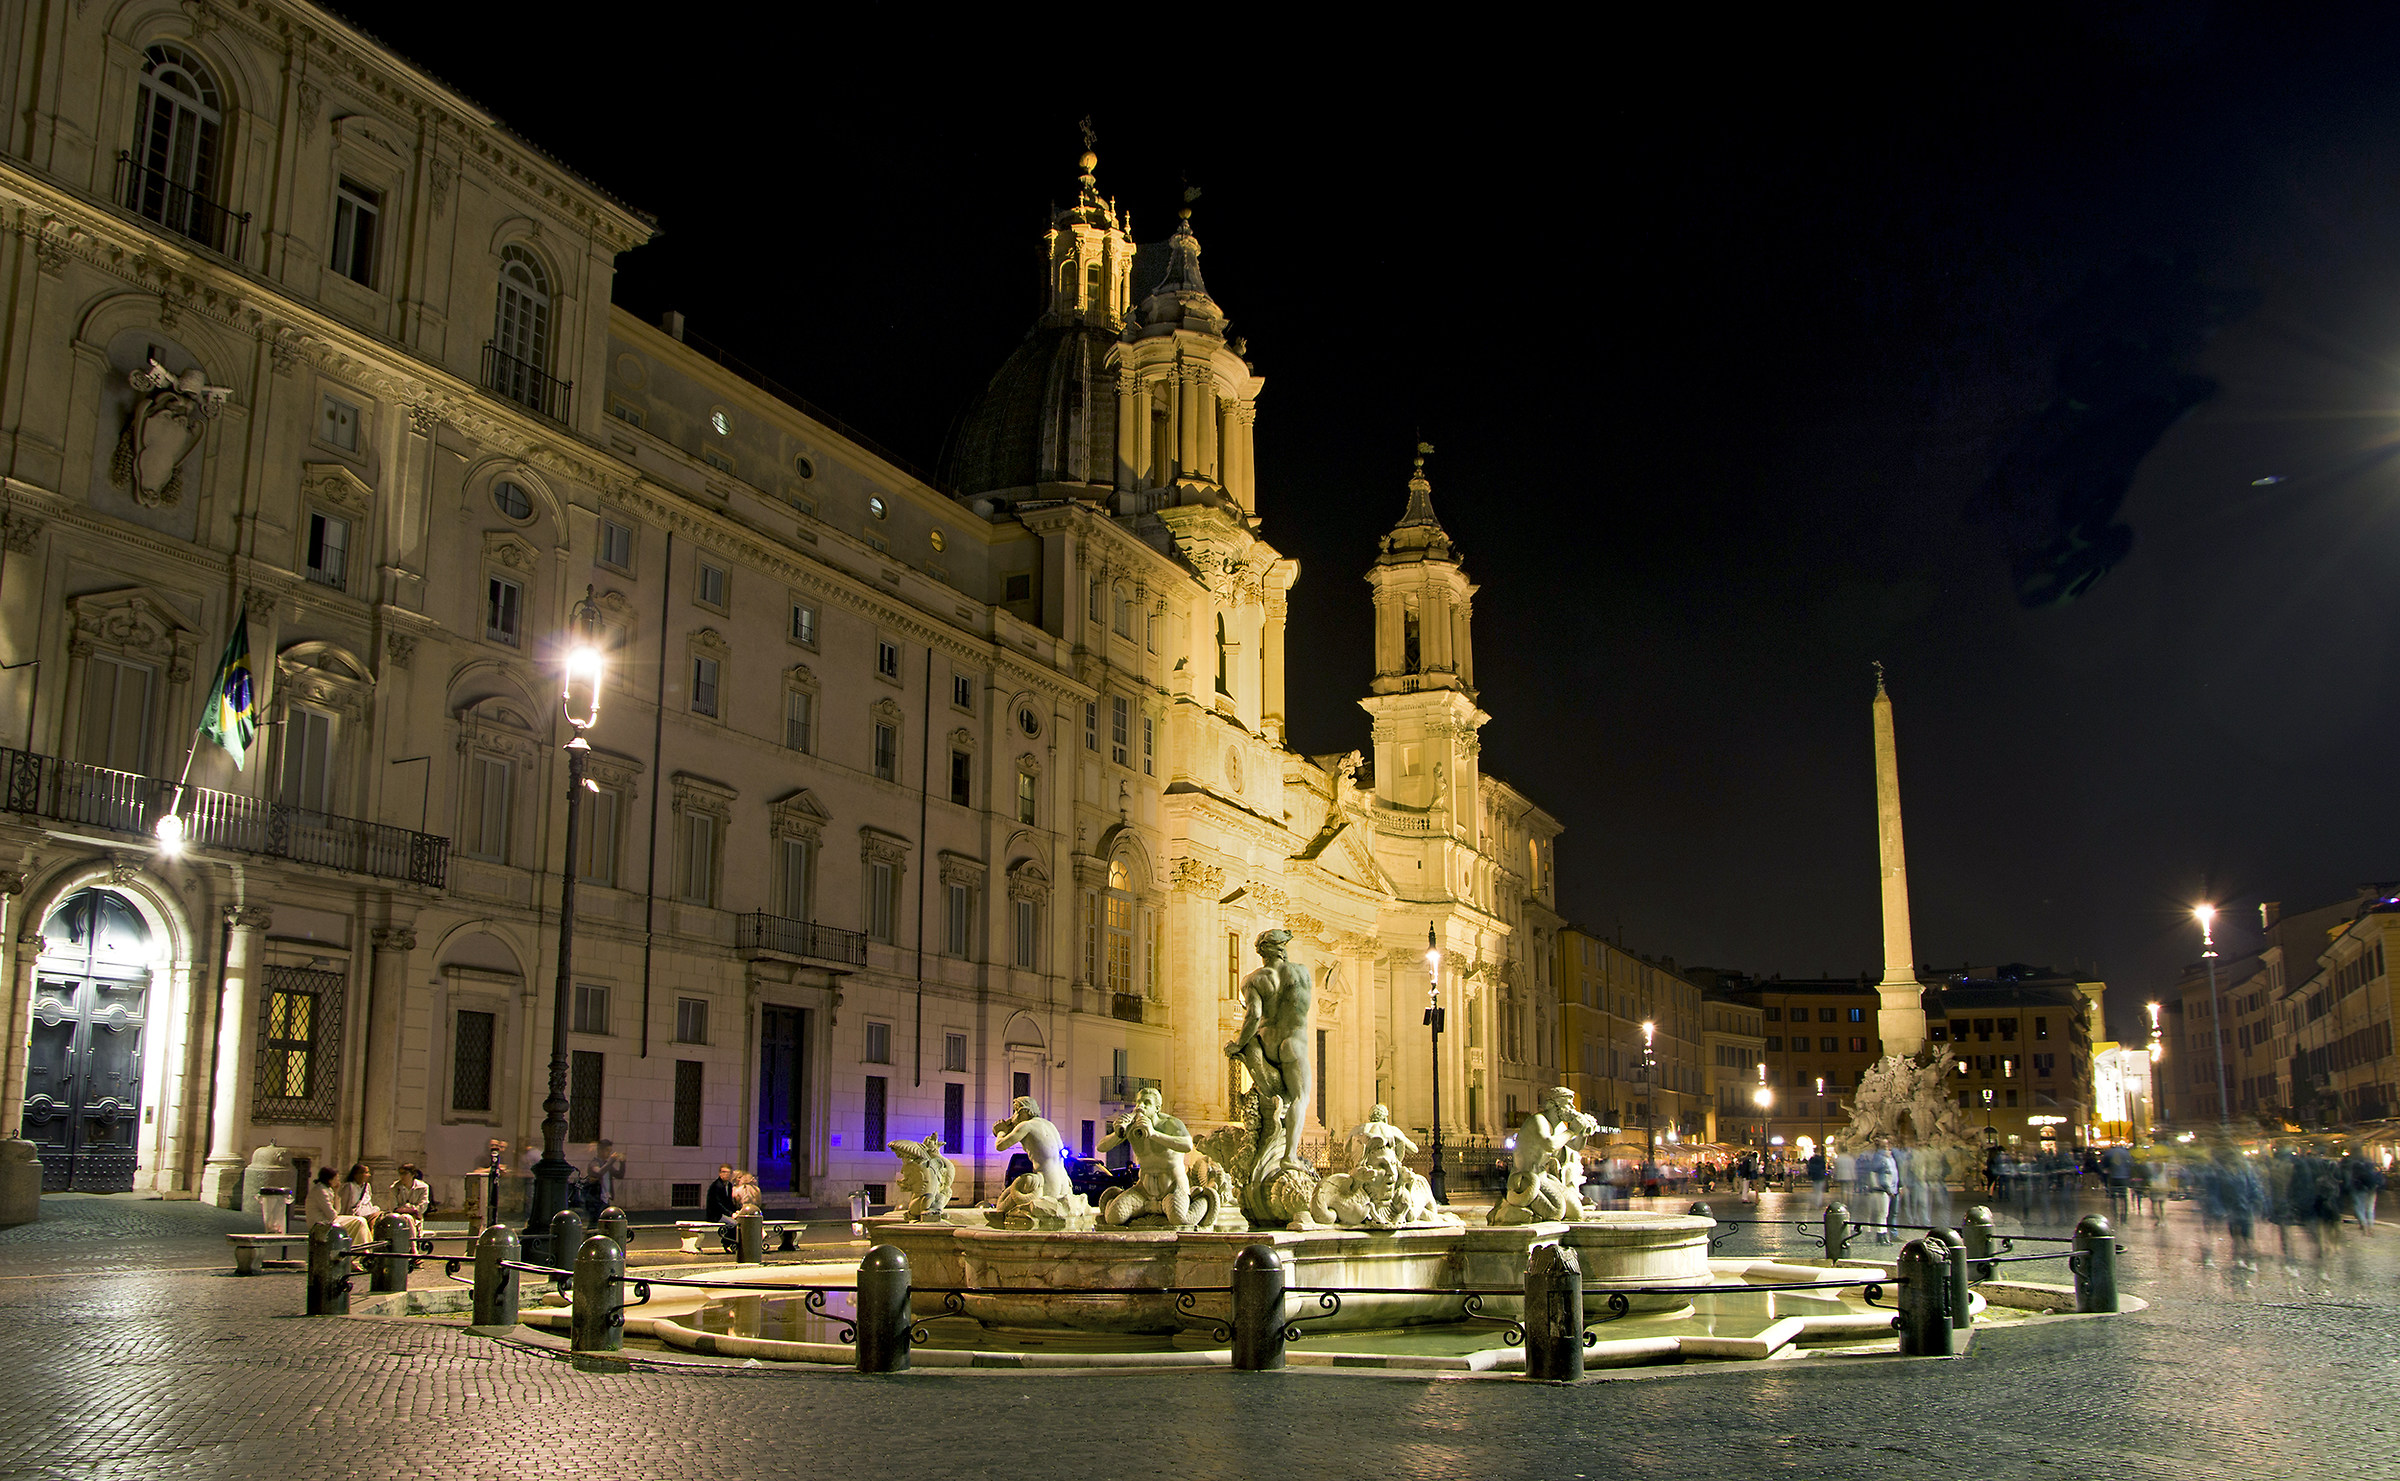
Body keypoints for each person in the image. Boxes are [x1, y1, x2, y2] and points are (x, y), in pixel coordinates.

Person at [1224, 928, 1315, 1181]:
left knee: (1269, 1095)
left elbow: (1253, 1016)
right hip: (1294, 1042)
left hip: (1266, 1043)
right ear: (1282, 948)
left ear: (1261, 952)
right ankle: (1289, 1156)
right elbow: (1302, 1008)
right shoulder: (1303, 973)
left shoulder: (1253, 979)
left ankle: (1268, 1143)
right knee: (1299, 1097)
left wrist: (1238, 1044)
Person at [308, 1165, 372, 1248]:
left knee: (360, 1222)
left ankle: (365, 1247)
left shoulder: (328, 1190)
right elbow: (332, 1215)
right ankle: (363, 1249)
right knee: (359, 1221)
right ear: (330, 1180)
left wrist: (336, 1192)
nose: (338, 1181)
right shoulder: (321, 1191)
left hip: (329, 1220)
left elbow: (337, 1210)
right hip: (321, 1224)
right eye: (336, 1178)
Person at [581, 1140, 625, 1218]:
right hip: (595, 1199)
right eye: (607, 1150)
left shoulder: (607, 1165)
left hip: (606, 1198)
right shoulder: (594, 1163)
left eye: (610, 1151)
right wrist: (611, 1161)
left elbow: (619, 1175)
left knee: (605, 1221)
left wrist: (622, 1162)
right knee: (595, 1222)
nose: (609, 1153)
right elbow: (599, 1173)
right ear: (600, 1150)